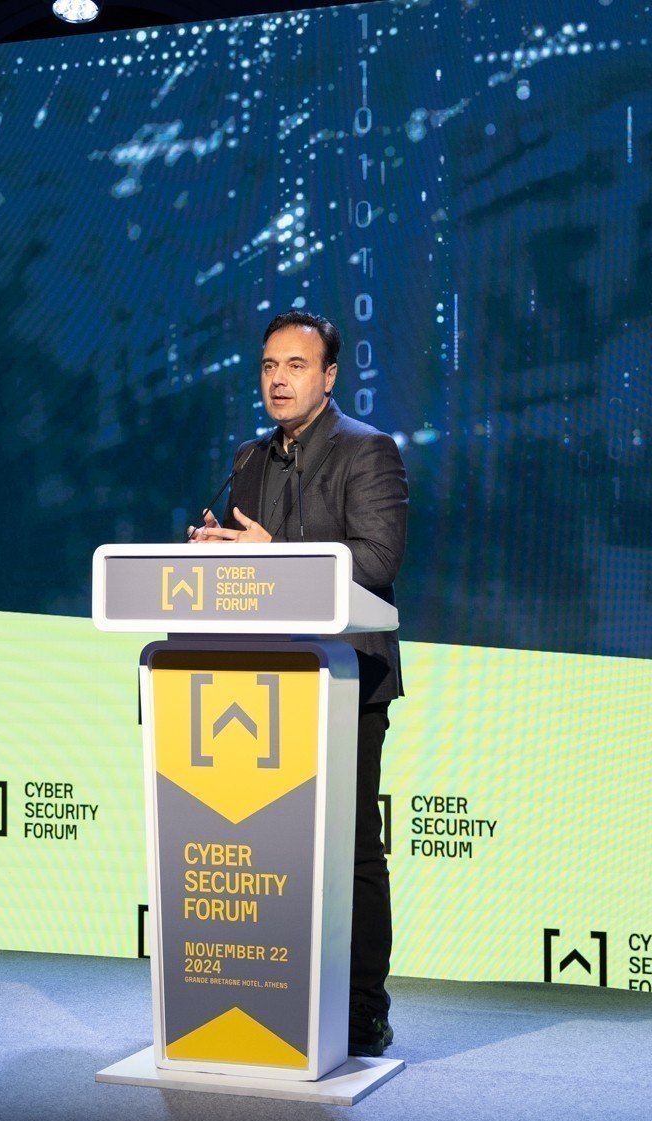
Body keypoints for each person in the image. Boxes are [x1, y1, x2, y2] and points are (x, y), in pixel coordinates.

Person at [190, 309, 407, 1059]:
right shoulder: (249, 458)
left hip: (345, 679)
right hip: (259, 684)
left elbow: (376, 560)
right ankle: (274, 996)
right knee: (269, 849)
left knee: (351, 848)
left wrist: (271, 549)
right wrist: (215, 550)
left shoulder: (367, 450)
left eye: (295, 366)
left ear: (329, 376)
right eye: (268, 366)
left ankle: (362, 1010)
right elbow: (248, 564)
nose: (278, 380)